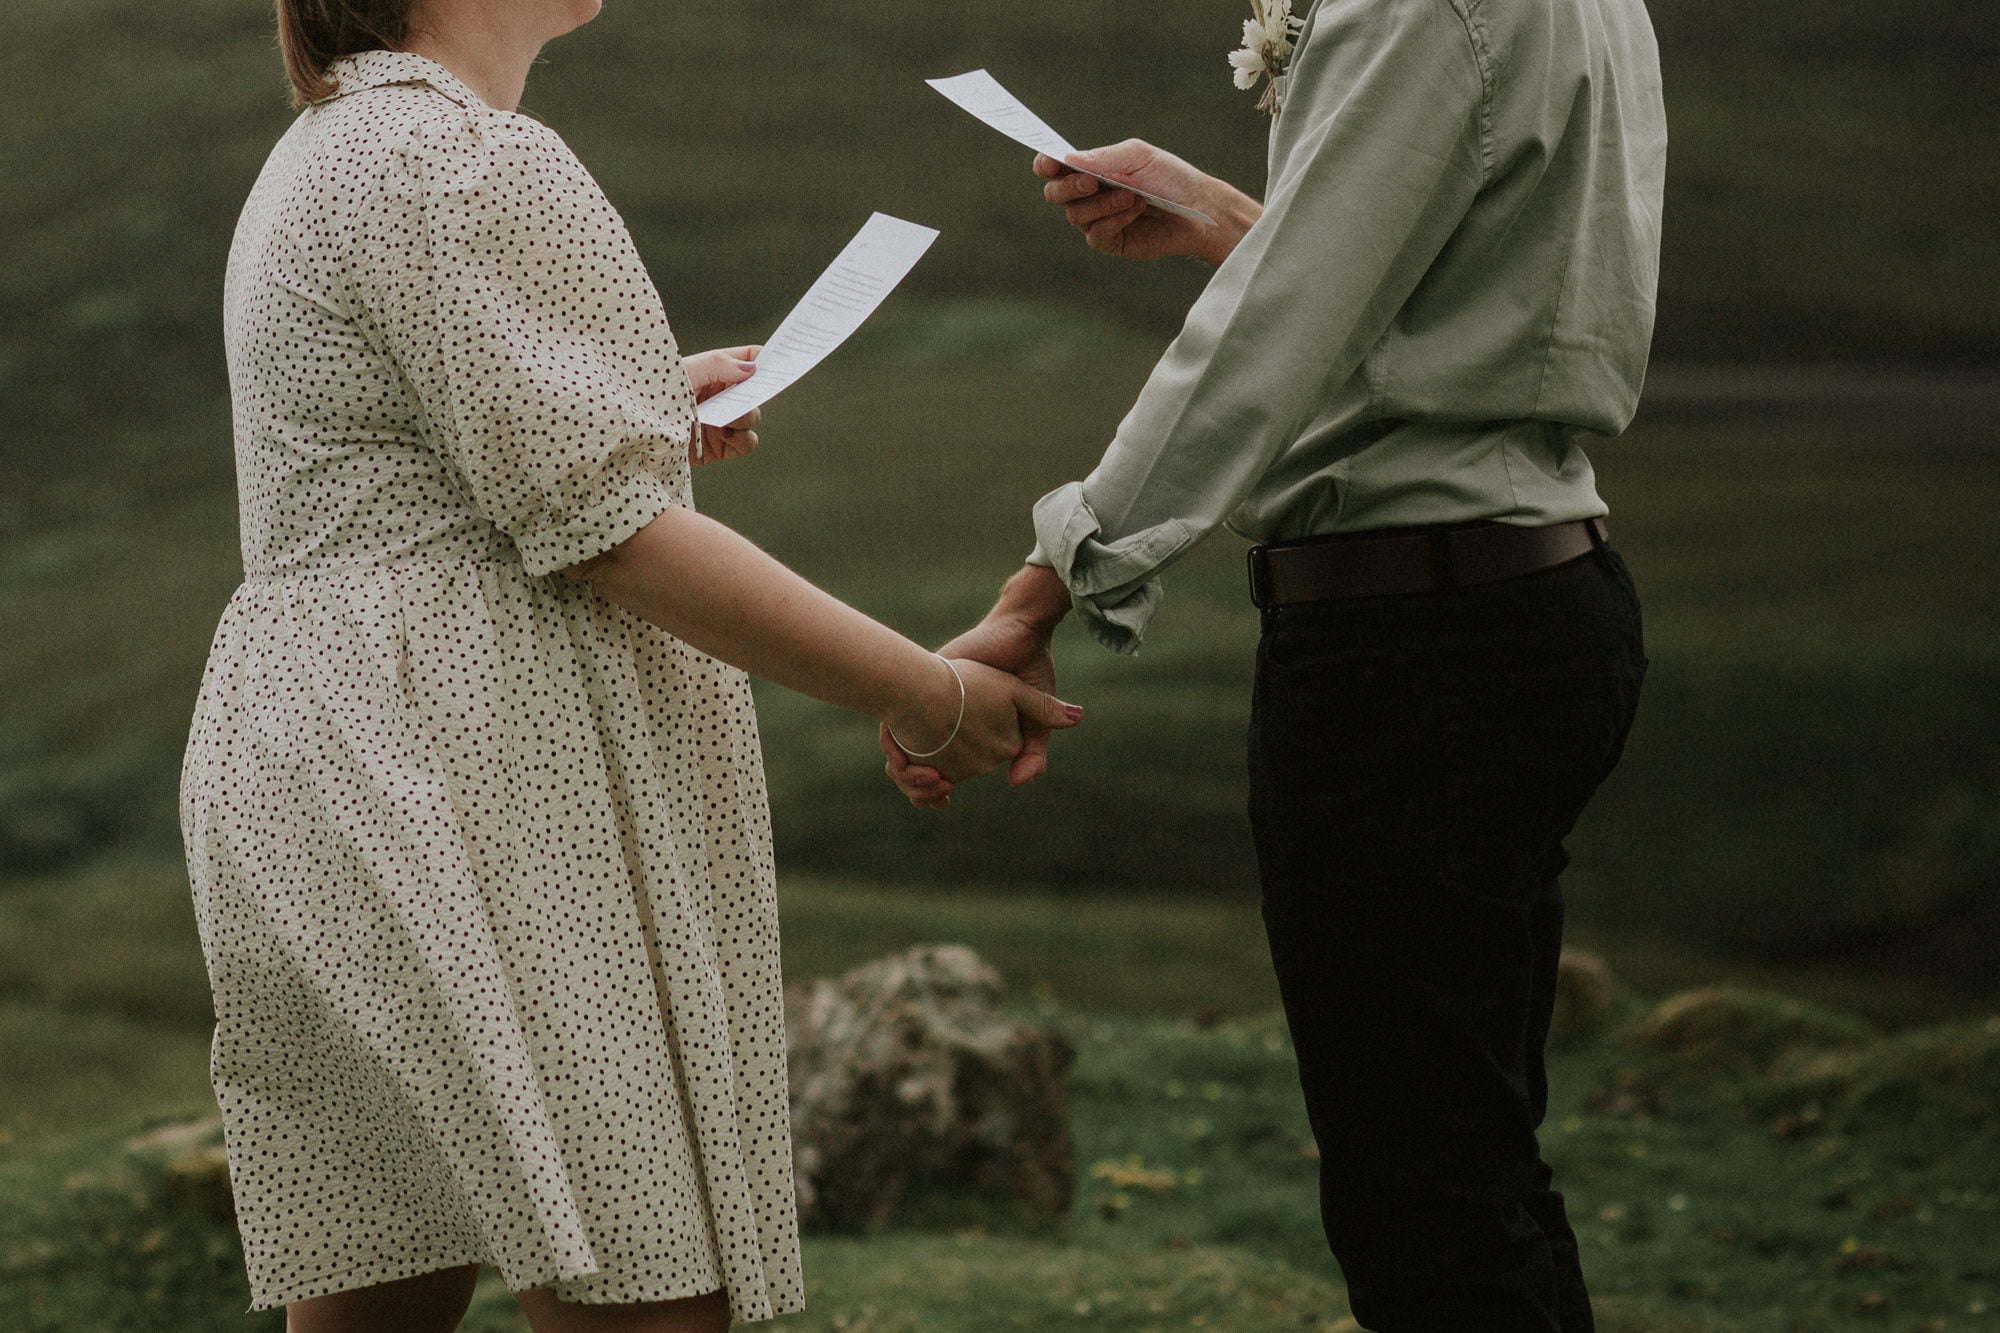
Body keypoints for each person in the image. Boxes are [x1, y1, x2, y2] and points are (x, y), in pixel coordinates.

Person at [177, 1, 1083, 1330]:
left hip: (315, 766)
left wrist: (628, 401)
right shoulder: (469, 157)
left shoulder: (327, 149)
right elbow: (618, 543)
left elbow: (407, 463)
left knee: (378, 1300)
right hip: (477, 779)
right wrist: (926, 690)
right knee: (650, 1297)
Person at [885, 0, 1665, 1327]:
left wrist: (1047, 584)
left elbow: (1273, 333)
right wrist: (1231, 219)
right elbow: (1466, 298)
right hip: (1528, 596)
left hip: (1416, 645)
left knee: (1422, 1194)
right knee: (1468, 1158)